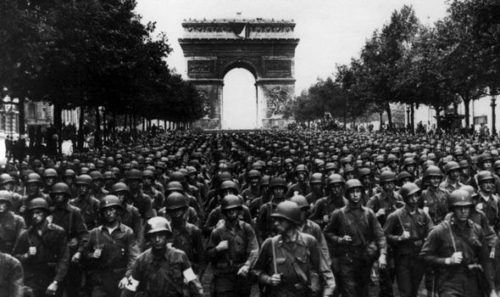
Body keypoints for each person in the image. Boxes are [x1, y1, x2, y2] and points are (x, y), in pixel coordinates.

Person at [420, 189, 498, 297]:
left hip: (472, 280)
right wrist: (447, 260)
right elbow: (424, 256)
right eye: (459, 208)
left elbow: (485, 260)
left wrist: (492, 289)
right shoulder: (440, 231)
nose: (463, 211)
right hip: (449, 280)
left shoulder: (477, 230)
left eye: (466, 207)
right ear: (453, 209)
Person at [252, 200, 336, 297]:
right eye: (275, 220)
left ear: (291, 222)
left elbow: (325, 271)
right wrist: (269, 280)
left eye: (280, 220)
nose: (275, 224)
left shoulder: (309, 242)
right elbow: (256, 271)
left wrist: (327, 293)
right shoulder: (270, 243)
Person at [324, 179, 387, 297]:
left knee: (363, 291)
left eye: (358, 191)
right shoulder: (339, 214)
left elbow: (380, 235)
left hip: (364, 258)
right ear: (347, 195)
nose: (355, 195)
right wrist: (340, 239)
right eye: (352, 192)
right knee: (349, 291)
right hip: (346, 259)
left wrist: (383, 254)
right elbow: (327, 233)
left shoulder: (369, 213)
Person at [123, 216, 204, 297]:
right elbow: (130, 288)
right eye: (153, 236)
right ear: (149, 238)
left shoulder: (180, 256)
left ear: (167, 236)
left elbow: (193, 283)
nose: (157, 239)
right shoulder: (141, 260)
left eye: (161, 235)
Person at [83, 195, 139, 297]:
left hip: (120, 278)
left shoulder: (127, 232)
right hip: (100, 280)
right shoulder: (95, 233)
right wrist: (92, 255)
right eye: (105, 211)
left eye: (112, 209)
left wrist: (127, 276)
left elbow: (134, 257)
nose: (108, 213)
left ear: (118, 211)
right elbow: (84, 256)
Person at [384, 183, 433, 297]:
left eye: (416, 196)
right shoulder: (396, 215)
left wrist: (428, 240)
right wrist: (399, 238)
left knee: (415, 289)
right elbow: (384, 235)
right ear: (405, 199)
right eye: (411, 197)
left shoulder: (423, 214)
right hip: (402, 257)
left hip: (419, 255)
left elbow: (431, 230)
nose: (414, 199)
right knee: (405, 290)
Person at [13, 198, 69, 297]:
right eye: (32, 213)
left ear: (45, 213)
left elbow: (64, 258)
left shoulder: (58, 232)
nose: (35, 216)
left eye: (38, 213)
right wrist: (26, 255)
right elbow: (15, 258)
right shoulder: (26, 234)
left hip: (51, 276)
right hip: (32, 280)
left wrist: (56, 281)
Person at [207, 194, 259, 297]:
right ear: (224, 212)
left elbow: (254, 249)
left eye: (234, 209)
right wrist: (217, 249)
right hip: (223, 276)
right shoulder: (217, 232)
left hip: (242, 273)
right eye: (228, 210)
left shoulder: (246, 228)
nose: (232, 211)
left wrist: (247, 265)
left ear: (238, 210)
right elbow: (207, 256)